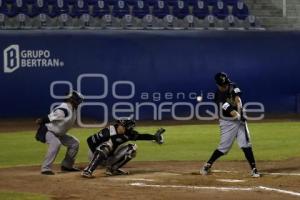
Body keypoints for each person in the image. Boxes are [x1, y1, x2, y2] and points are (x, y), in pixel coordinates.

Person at [200, 72, 260, 178]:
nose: (226, 86)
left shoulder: (232, 85)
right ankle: (207, 165)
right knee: (224, 148)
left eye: (226, 83)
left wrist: (240, 113)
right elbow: (230, 110)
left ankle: (254, 169)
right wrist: (238, 115)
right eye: (223, 85)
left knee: (246, 144)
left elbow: (238, 100)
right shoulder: (218, 96)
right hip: (227, 122)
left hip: (239, 119)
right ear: (218, 85)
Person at [81, 118, 165, 178]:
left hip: (109, 157)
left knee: (132, 148)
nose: (128, 130)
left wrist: (154, 137)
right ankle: (88, 170)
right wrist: (98, 156)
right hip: (94, 155)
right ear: (120, 125)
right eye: (125, 127)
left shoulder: (127, 134)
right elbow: (89, 140)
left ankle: (112, 169)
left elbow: (141, 136)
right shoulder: (108, 132)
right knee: (107, 145)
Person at [35, 90, 84, 175]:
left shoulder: (73, 109)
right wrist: (41, 120)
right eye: (78, 100)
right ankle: (45, 168)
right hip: (47, 130)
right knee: (56, 143)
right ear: (71, 99)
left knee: (74, 143)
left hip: (58, 133)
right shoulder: (64, 109)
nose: (79, 102)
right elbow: (49, 117)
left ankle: (67, 166)